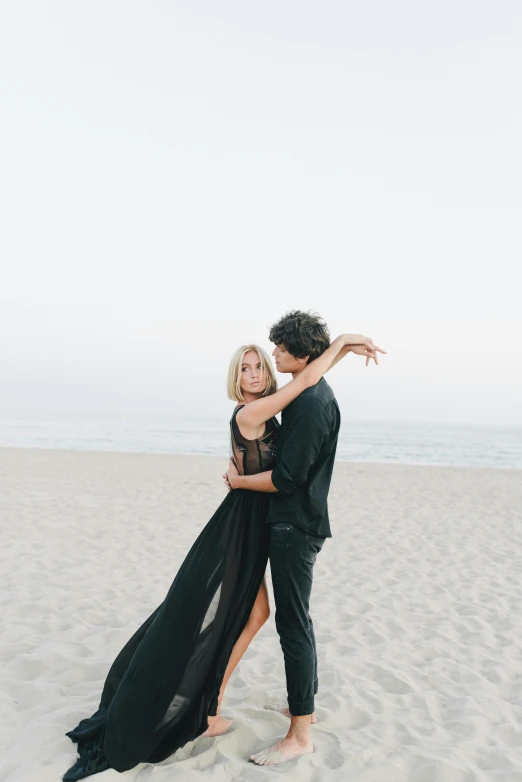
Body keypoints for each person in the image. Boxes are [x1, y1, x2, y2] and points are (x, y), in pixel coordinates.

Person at [62, 330, 379, 781]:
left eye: (257, 366)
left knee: (254, 615)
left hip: (256, 518)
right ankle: (203, 710)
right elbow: (307, 379)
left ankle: (207, 707)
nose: (253, 372)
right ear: (237, 378)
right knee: (222, 612)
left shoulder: (275, 403)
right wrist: (342, 343)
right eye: (244, 368)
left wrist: (341, 350)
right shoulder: (251, 412)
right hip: (241, 525)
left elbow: (309, 376)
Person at [224, 310, 386, 767]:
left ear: (301, 353)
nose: (273, 355)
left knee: (293, 624)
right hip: (294, 521)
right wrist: (344, 345)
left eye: (278, 348)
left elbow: (289, 478)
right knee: (297, 620)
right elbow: (314, 371)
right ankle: (305, 714)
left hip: (295, 524)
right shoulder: (309, 389)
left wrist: (238, 483)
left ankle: (298, 734)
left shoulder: (313, 403)